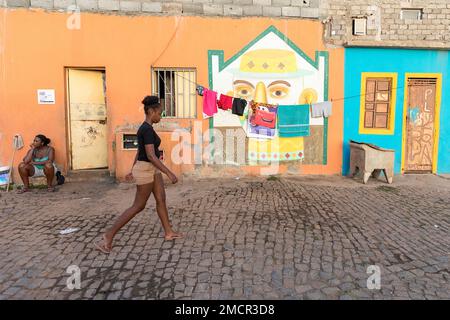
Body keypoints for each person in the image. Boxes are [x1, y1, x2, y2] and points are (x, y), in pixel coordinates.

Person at [96, 96, 183, 253]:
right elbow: (150, 155)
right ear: (151, 111)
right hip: (146, 169)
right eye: (159, 113)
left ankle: (169, 232)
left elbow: (140, 151)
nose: (160, 116)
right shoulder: (146, 129)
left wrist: (132, 168)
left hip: (150, 168)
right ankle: (108, 235)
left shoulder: (146, 128)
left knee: (161, 199)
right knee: (138, 205)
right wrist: (169, 172)